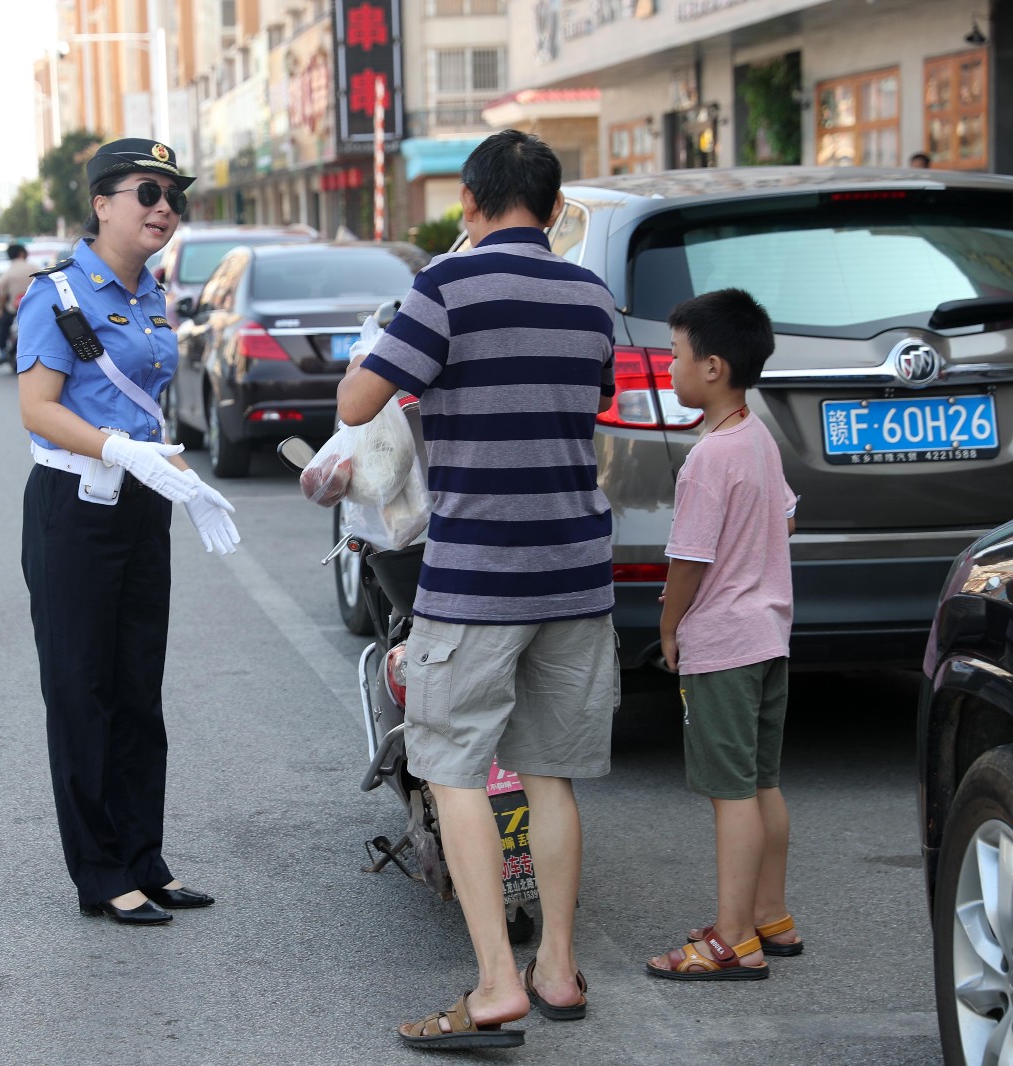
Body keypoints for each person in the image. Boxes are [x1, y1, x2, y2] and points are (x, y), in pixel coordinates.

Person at [336, 129, 619, 1049]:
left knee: (454, 770)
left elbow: (355, 406)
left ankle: (497, 983)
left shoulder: (445, 288)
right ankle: (559, 969)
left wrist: (381, 342)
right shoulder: (589, 294)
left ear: (471, 200)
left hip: (478, 577)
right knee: (552, 778)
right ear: (551, 204)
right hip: (578, 570)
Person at [15, 137, 239, 927]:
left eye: (173, 197)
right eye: (147, 193)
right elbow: (39, 409)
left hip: (141, 505)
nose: (164, 209)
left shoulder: (151, 296)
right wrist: (119, 450)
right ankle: (102, 871)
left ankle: (146, 858)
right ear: (101, 202)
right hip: (75, 509)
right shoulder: (58, 295)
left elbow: (143, 405)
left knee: (140, 690)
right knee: (83, 692)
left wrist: (173, 472)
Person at [645, 289, 800, 981]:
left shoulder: (709, 458)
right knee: (763, 782)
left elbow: (689, 560)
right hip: (768, 634)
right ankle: (771, 915)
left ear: (712, 367)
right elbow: (786, 520)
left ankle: (732, 938)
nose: (669, 367)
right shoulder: (757, 435)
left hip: (724, 643)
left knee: (729, 792)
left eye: (675, 356)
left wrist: (670, 623)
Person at [0, 243, 38, 367]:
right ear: (22, 253)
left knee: (2, 325)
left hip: (13, 309)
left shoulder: (8, 272)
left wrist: (0, 309)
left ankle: (2, 351)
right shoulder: (33, 267)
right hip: (33, 308)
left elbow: (1, 294)